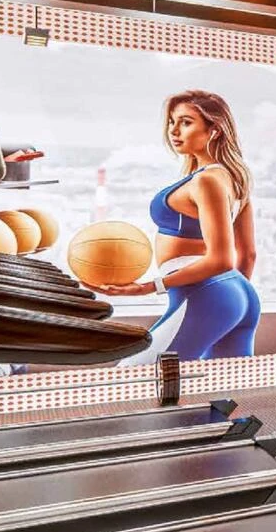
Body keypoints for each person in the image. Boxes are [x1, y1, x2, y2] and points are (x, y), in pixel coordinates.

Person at [93, 90, 261, 361]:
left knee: (133, 376)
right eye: (172, 122)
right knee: (226, 386)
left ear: (215, 129)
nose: (173, 131)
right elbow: (248, 255)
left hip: (206, 294)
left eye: (186, 122)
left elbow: (221, 259)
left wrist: (148, 287)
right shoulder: (236, 180)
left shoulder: (206, 181)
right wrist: (230, 299)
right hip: (238, 292)